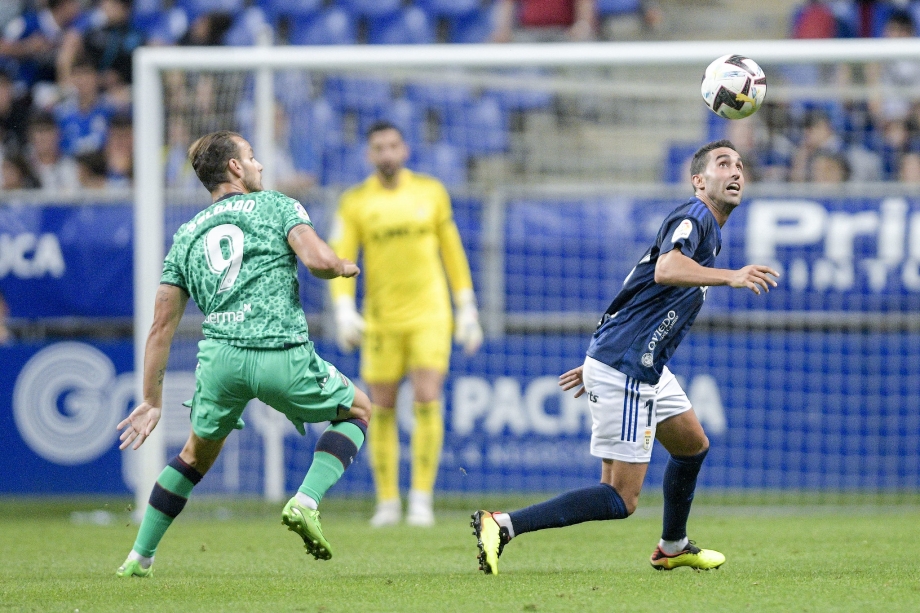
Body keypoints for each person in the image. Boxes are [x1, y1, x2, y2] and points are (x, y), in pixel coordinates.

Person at [471, 140, 780, 575]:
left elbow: (637, 288)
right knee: (620, 498)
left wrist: (603, 354)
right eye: (723, 164)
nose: (736, 172)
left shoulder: (709, 230)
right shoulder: (693, 217)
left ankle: (673, 545)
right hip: (630, 367)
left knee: (692, 446)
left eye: (740, 165)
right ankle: (502, 525)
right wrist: (732, 277)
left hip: (637, 363)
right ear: (698, 180)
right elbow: (665, 270)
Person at [115, 130, 371, 578]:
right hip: (279, 353)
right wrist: (343, 266)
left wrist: (151, 401)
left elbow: (161, 326)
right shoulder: (277, 204)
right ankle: (306, 501)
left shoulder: (187, 234)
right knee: (357, 410)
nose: (260, 166)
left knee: (194, 456)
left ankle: (139, 557)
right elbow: (317, 260)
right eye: (252, 156)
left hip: (221, 364)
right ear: (235, 167)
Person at [329, 121, 483, 527]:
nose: (386, 154)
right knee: (379, 406)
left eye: (393, 145)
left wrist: (466, 306)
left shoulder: (430, 192)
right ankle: (387, 502)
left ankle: (421, 499)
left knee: (427, 395)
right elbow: (341, 256)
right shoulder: (355, 202)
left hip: (430, 314)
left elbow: (452, 252)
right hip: (381, 320)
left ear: (405, 150)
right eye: (378, 147)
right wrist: (344, 309)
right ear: (369, 154)